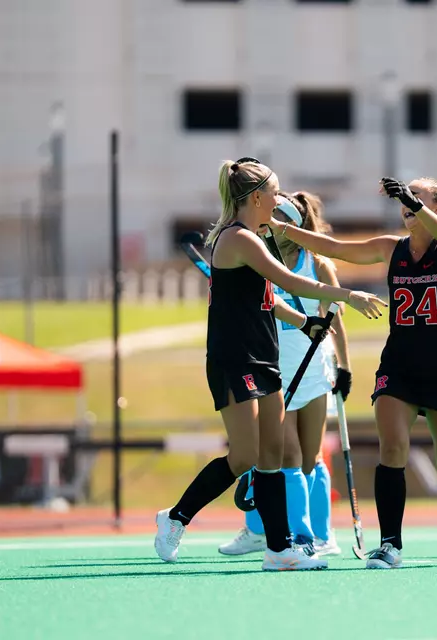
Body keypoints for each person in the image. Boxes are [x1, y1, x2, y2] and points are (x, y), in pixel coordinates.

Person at [266, 175, 437, 568]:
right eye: (405, 196)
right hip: (399, 368)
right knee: (392, 449)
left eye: (417, 197)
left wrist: (413, 201)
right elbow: (335, 248)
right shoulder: (392, 248)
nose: (407, 203)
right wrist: (278, 226)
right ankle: (390, 544)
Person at [154, 158, 386, 571]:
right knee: (245, 455)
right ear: (257, 197)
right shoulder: (239, 239)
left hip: (264, 356)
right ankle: (176, 517)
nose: (279, 201)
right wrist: (347, 295)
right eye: (275, 193)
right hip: (234, 358)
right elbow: (288, 281)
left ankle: (279, 549)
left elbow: (268, 298)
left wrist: (304, 321)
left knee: (271, 455)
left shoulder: (255, 237)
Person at [219, 192, 351, 558]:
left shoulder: (317, 263)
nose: (271, 223)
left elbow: (335, 319)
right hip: (273, 369)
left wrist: (344, 366)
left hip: (312, 370)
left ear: (294, 225)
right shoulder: (257, 257)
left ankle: (322, 535)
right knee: (284, 454)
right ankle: (289, 533)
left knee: (310, 458)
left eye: (281, 218)